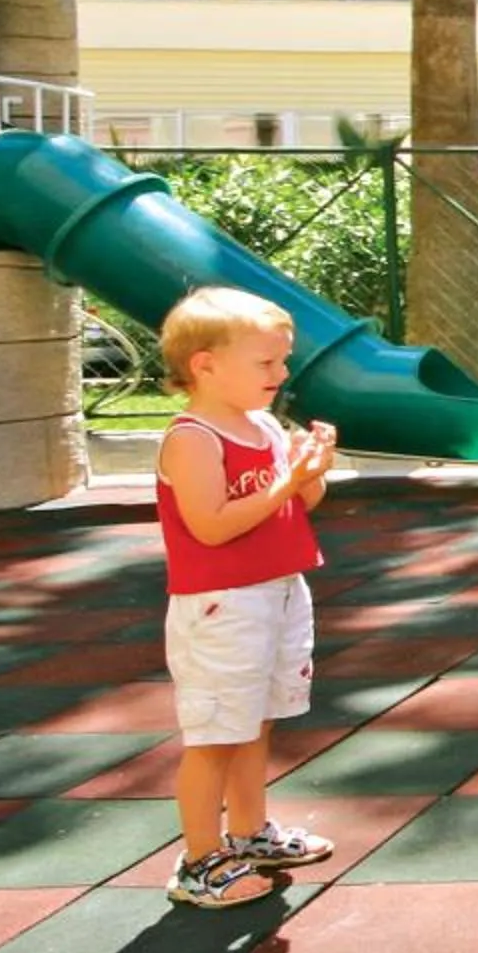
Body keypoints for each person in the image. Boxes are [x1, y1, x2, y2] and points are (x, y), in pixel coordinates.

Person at [153, 287, 337, 908]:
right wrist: (290, 478)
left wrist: (310, 473)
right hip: (222, 605)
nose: (280, 375)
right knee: (214, 734)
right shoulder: (193, 438)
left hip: (278, 590)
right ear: (205, 365)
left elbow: (298, 503)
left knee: (255, 718)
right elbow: (213, 524)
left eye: (281, 362)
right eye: (265, 364)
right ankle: (200, 861)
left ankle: (249, 830)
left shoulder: (260, 425)